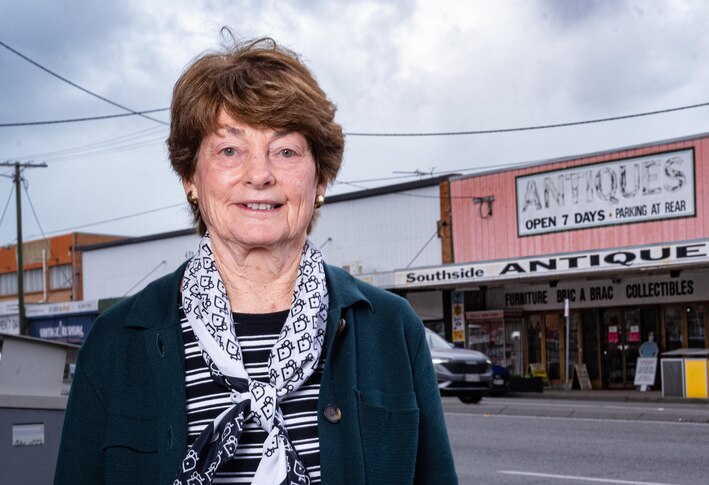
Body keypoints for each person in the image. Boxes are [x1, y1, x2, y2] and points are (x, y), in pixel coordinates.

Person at [54, 37, 458, 485]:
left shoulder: (391, 327)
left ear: (319, 177)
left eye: (285, 151)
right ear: (191, 177)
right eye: (230, 150)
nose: (260, 174)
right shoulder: (116, 341)